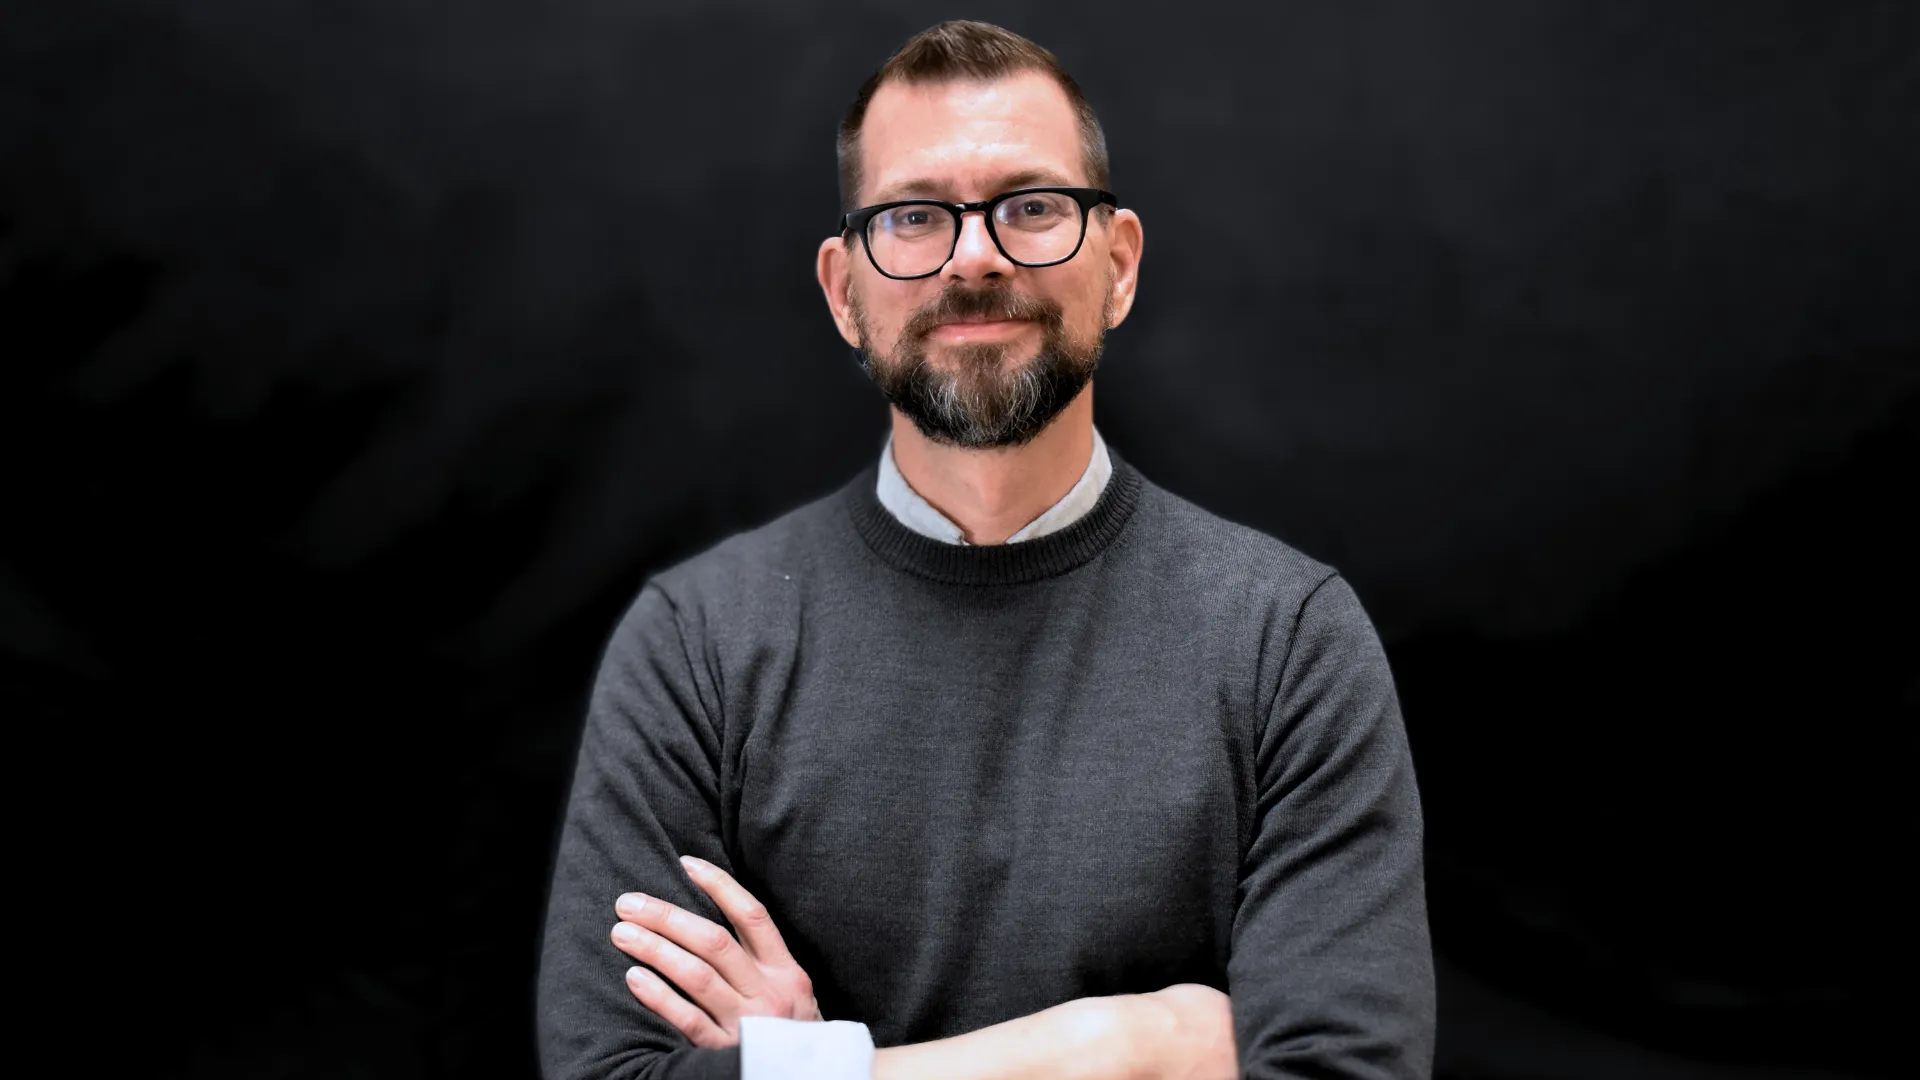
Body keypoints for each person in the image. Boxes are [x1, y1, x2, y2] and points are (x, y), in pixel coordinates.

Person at [536, 20, 1434, 1080]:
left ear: (1119, 264)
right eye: (914, 216)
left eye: (1033, 206)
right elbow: (607, 1072)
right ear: (843, 292)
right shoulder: (696, 645)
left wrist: (802, 1069)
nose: (975, 257)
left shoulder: (1288, 642)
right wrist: (1124, 1046)